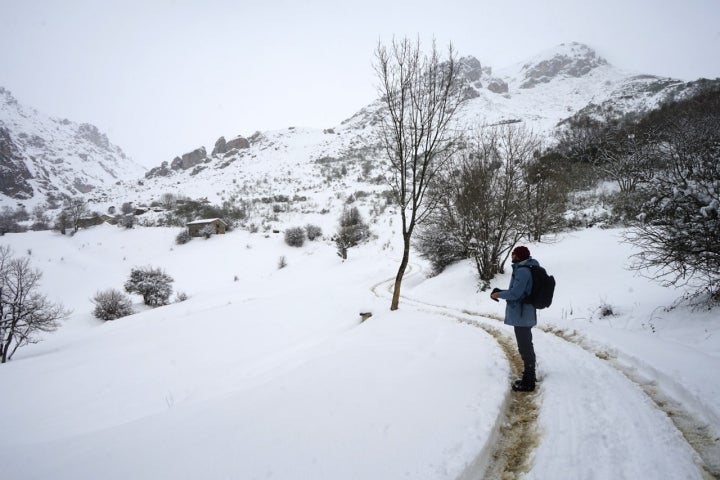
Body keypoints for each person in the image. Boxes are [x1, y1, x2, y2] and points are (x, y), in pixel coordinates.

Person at [490, 245, 538, 392]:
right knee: (525, 344)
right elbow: (517, 292)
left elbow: (515, 294)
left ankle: (529, 381)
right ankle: (530, 375)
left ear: (518, 256)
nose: (512, 256)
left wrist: (498, 295)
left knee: (525, 346)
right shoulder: (525, 268)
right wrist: (502, 292)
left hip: (523, 313)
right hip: (524, 312)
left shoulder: (523, 271)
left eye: (514, 254)